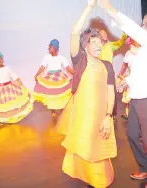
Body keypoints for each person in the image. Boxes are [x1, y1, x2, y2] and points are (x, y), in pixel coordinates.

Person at [98, 0, 147, 187]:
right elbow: (138, 74)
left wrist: (110, 9)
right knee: (132, 134)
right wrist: (125, 81)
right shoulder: (142, 52)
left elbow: (133, 29)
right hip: (138, 97)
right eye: (144, 24)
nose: (144, 27)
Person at [56, 0, 117, 187]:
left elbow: (111, 92)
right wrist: (89, 7)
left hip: (101, 117)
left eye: (101, 42)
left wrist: (108, 117)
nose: (99, 45)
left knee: (98, 150)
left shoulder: (106, 66)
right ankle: (83, 175)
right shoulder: (80, 61)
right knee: (83, 146)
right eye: (94, 42)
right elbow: (74, 32)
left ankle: (98, 180)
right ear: (85, 46)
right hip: (83, 118)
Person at [33, 39, 73, 118]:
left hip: (59, 76)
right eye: (49, 47)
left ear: (55, 48)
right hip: (50, 77)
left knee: (61, 93)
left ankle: (61, 109)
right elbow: (42, 67)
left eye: (51, 47)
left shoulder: (61, 58)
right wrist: (36, 74)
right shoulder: (47, 57)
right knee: (50, 93)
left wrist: (76, 74)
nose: (49, 48)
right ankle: (53, 111)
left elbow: (68, 68)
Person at [117, 37, 140, 120]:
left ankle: (137, 113)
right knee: (128, 96)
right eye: (134, 39)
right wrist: (120, 74)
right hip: (130, 76)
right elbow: (124, 65)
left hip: (140, 77)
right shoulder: (128, 53)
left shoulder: (144, 52)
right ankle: (128, 113)